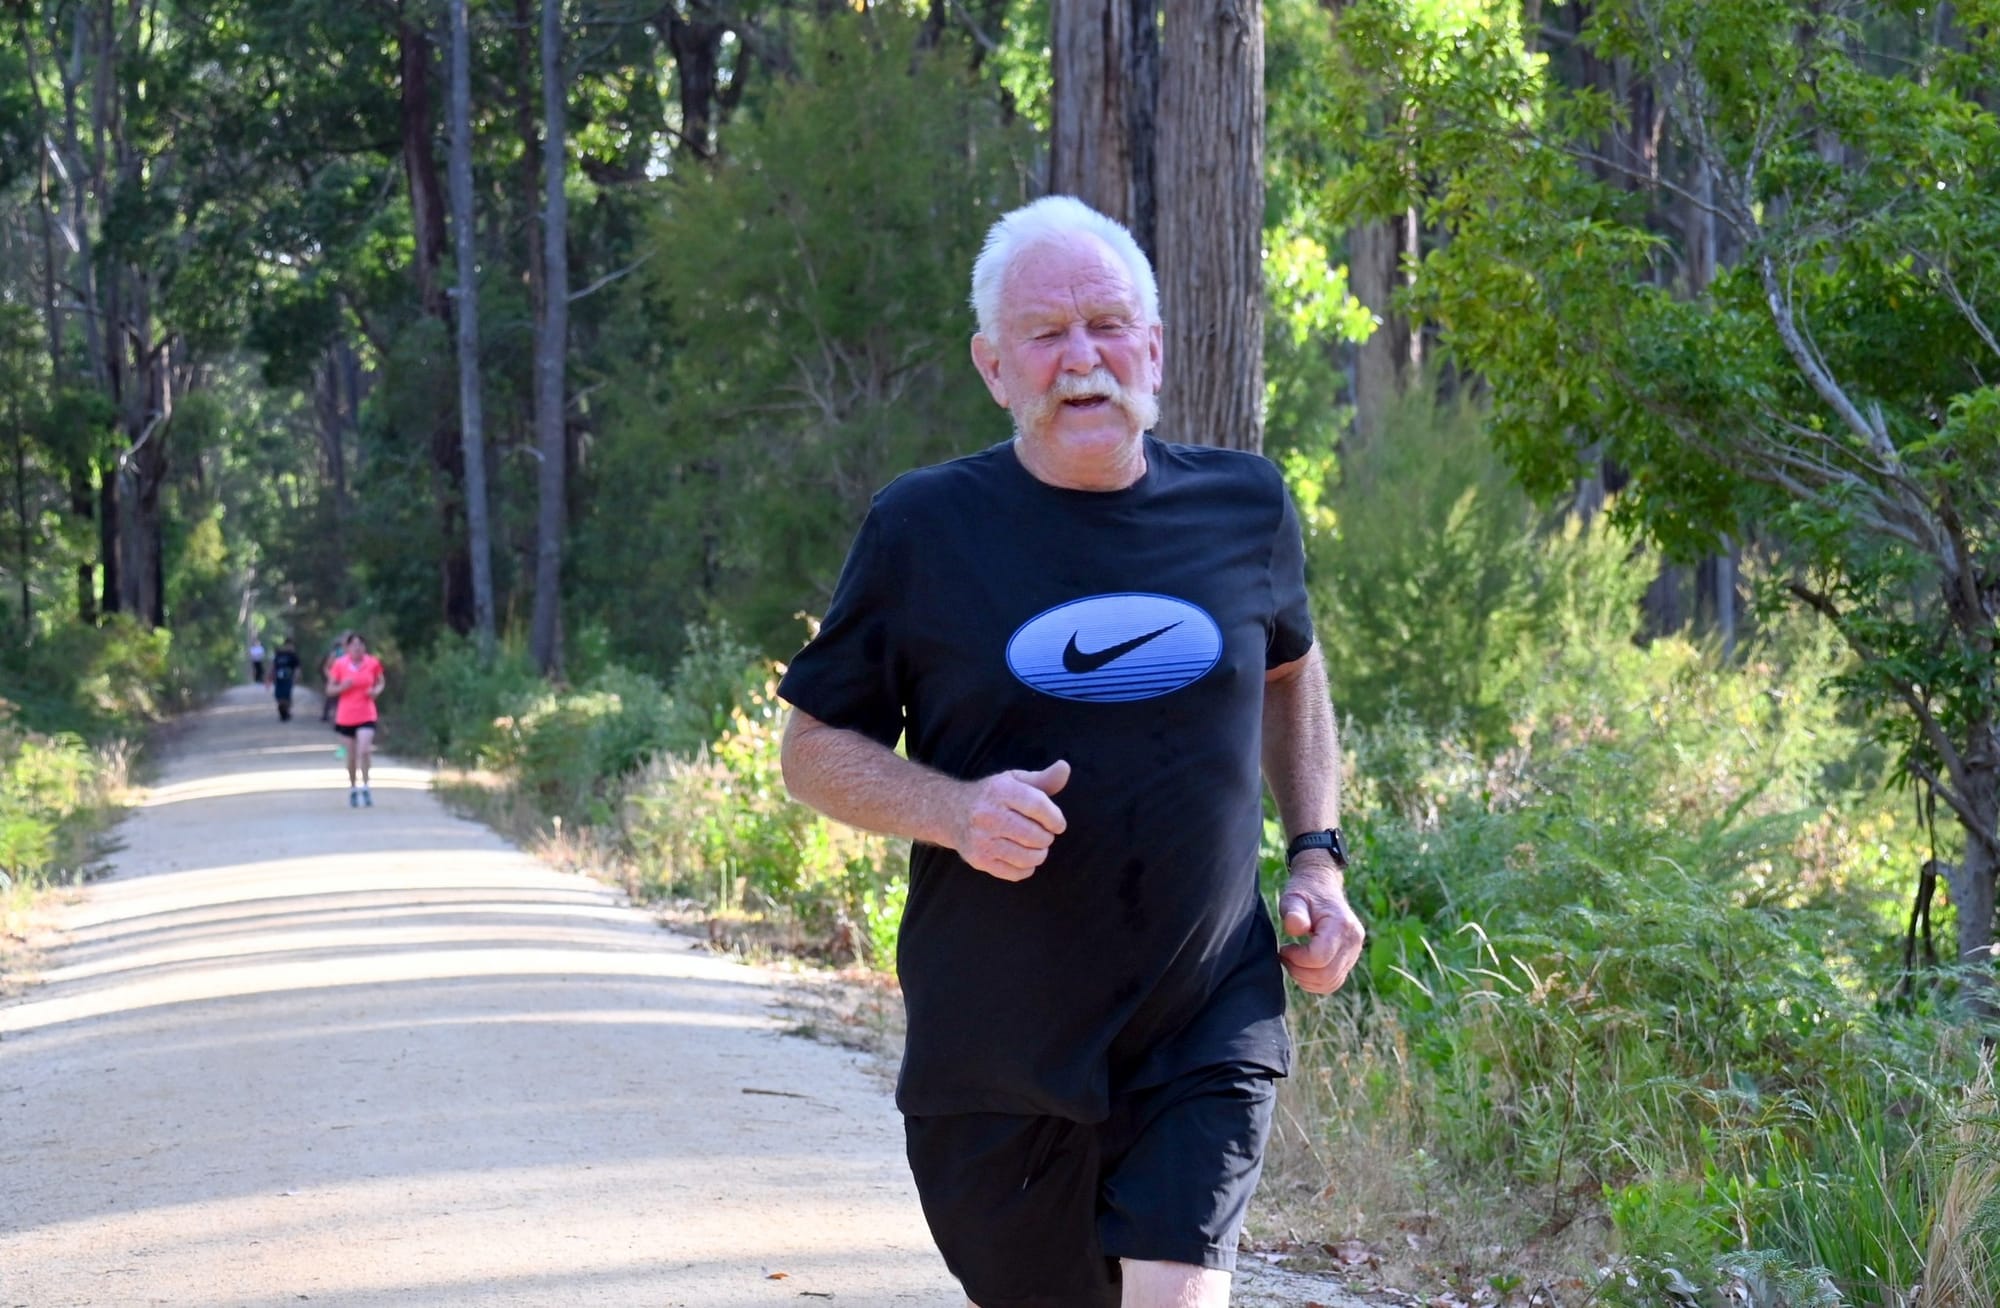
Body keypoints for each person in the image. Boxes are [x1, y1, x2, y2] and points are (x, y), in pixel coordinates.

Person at [777, 195, 1366, 1308]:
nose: (1080, 358)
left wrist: (1315, 858)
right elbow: (810, 750)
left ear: (1151, 347)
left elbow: (1289, 670)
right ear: (993, 366)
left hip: (1206, 1013)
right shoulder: (921, 529)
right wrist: (952, 811)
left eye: (1105, 325)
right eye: (1045, 334)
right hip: (995, 1051)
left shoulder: (1246, 506)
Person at [326, 631, 385, 807]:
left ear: (364, 647)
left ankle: (366, 786)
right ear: (348, 647)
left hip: (367, 713)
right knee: (351, 756)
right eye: (354, 645)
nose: (357, 648)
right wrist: (342, 687)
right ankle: (353, 788)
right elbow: (329, 689)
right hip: (346, 716)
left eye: (361, 644)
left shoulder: (372, 663)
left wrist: (376, 691)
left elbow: (381, 681)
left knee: (364, 750)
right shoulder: (340, 664)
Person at [269, 638, 302, 722]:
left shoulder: (293, 656)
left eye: (291, 645)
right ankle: (283, 712)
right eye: (288, 645)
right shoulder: (279, 654)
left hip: (288, 679)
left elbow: (297, 668)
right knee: (279, 697)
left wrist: (295, 678)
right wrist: (270, 677)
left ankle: (286, 712)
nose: (289, 647)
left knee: (287, 697)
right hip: (279, 680)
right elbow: (273, 666)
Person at [320, 636, 347, 723]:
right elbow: (326, 667)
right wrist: (331, 677)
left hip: (346, 681)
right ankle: (332, 717)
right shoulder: (335, 654)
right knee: (332, 699)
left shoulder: (352, 654)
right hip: (335, 680)